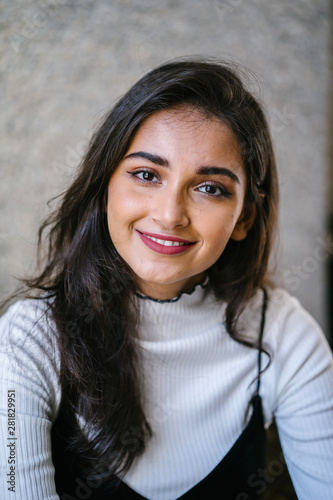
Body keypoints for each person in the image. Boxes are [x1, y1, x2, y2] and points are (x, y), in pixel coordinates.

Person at [0, 59, 332, 500]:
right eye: (146, 175)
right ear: (104, 188)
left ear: (244, 217)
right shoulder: (28, 339)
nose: (170, 215)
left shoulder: (284, 334)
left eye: (210, 187)